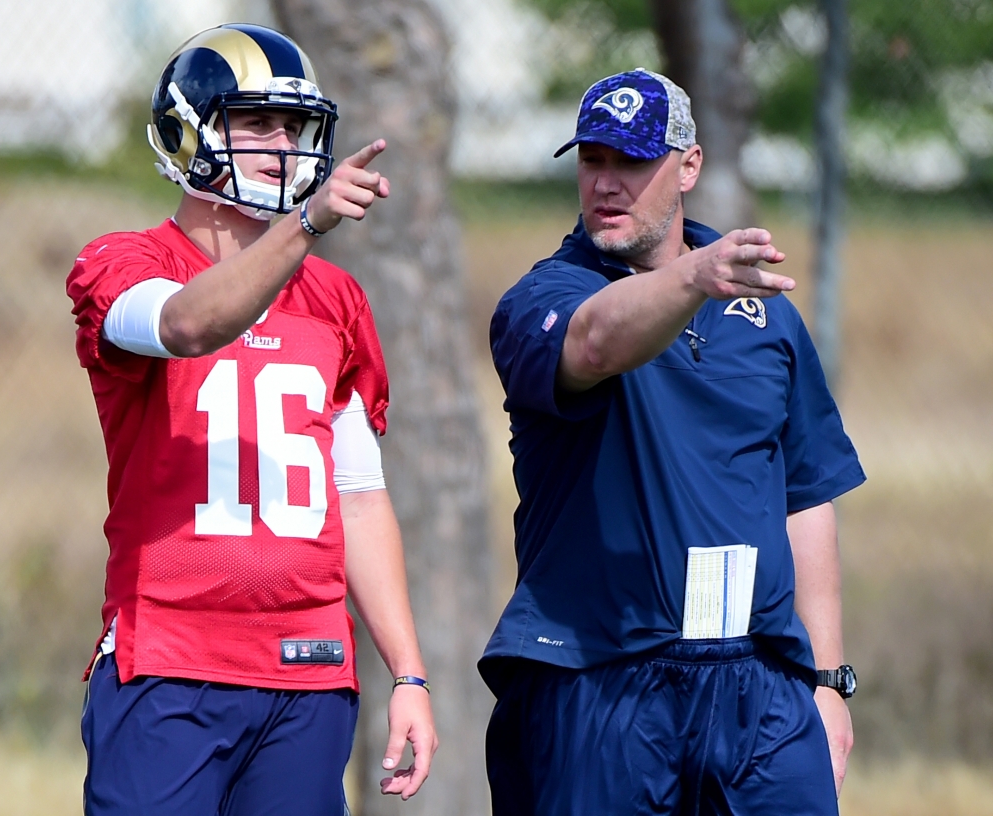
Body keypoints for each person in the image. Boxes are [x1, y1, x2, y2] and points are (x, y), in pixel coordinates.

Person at [66, 24, 437, 816]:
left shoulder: (335, 300)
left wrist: (407, 672)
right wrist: (303, 230)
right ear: (186, 129)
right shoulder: (124, 263)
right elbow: (187, 326)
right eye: (255, 123)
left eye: (293, 128)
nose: (282, 147)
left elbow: (360, 498)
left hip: (306, 673)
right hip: (169, 664)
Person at [480, 68, 864, 816]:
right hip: (601, 675)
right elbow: (594, 344)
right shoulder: (545, 299)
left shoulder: (763, 310)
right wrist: (692, 276)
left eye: (632, 161)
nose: (607, 183)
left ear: (689, 166)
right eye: (593, 160)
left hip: (760, 686)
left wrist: (826, 679)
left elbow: (805, 493)